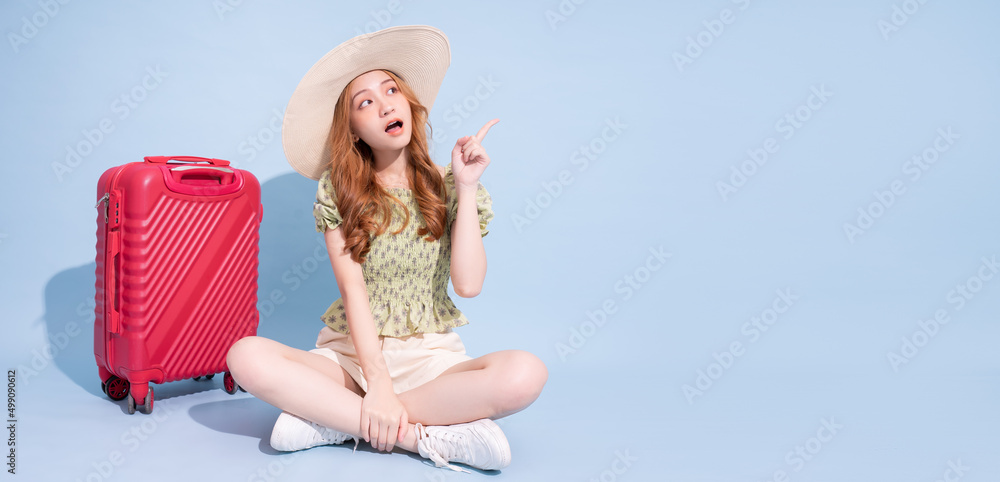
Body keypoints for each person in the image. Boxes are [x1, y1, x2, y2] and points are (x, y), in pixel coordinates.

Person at [225, 25, 548, 473]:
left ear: (408, 103)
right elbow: (353, 290)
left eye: (391, 89)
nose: (385, 104)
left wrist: (468, 189)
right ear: (354, 130)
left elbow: (469, 284)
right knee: (245, 356)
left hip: (430, 358)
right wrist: (375, 382)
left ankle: (335, 420)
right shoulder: (338, 190)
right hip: (353, 355)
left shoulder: (450, 185)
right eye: (365, 102)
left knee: (525, 373)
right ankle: (417, 437)